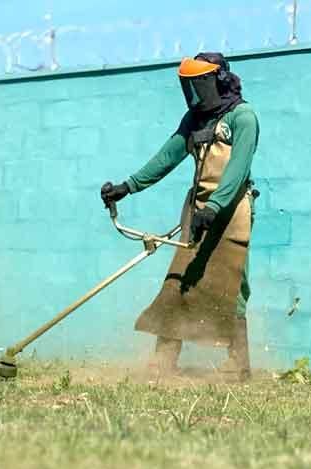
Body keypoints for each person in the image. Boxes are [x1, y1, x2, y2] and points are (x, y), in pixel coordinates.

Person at [101, 52, 260, 380]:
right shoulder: (194, 120)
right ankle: (163, 360)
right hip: (198, 211)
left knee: (232, 280)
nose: (194, 93)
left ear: (217, 81)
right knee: (179, 278)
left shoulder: (243, 117)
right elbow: (167, 156)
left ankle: (238, 364)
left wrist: (214, 207)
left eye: (198, 84)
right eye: (189, 86)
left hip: (232, 212)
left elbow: (238, 169)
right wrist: (128, 186)